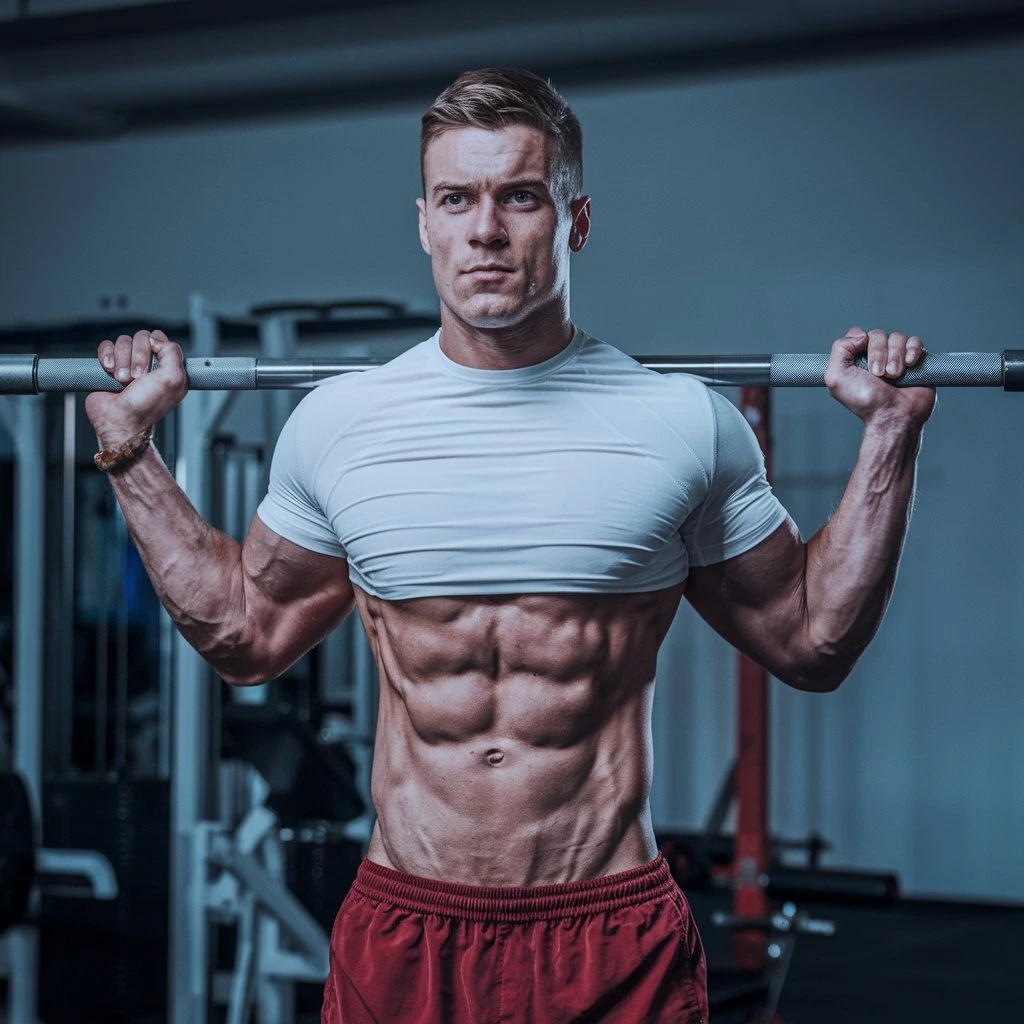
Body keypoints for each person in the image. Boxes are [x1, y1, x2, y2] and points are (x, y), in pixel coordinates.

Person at [85, 68, 935, 1024]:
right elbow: (245, 636)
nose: (484, 230)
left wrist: (890, 436)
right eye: (457, 199)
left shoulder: (679, 425)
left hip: (607, 929)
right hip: (409, 925)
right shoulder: (341, 425)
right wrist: (131, 453)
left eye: (519, 196)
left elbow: (812, 642)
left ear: (574, 218)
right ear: (424, 223)